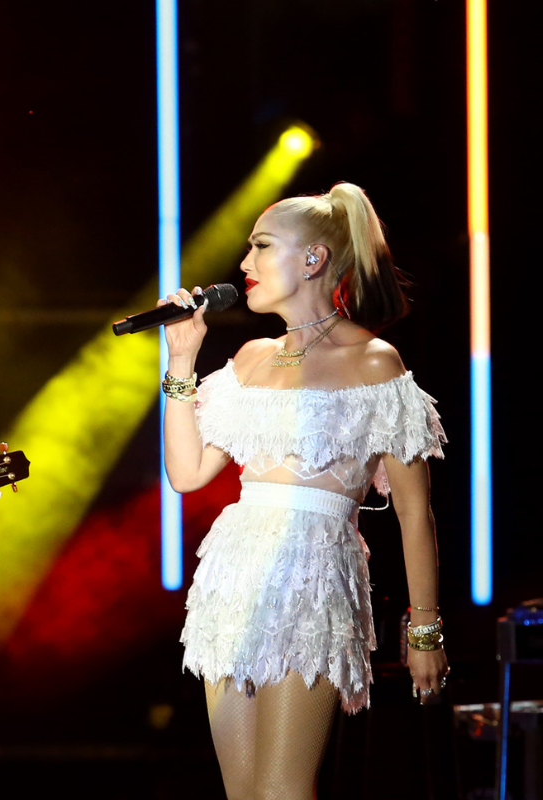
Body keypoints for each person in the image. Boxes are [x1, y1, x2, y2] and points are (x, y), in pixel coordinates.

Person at [160, 182, 448, 798]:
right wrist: (180, 366)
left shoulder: (375, 362)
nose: (243, 264)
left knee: (283, 788)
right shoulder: (249, 358)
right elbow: (186, 475)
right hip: (233, 574)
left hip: (312, 570)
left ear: (312, 259)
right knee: (243, 793)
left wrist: (423, 626)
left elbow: (415, 512)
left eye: (261, 246)